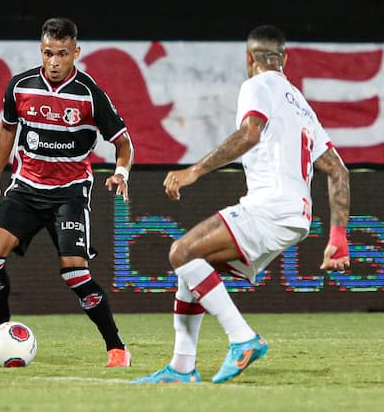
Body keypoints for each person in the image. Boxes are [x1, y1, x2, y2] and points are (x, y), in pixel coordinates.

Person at [133, 25, 350, 384]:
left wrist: (195, 171)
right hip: (294, 217)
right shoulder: (301, 105)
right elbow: (339, 172)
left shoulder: (257, 85)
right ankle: (182, 367)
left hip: (269, 208)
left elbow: (250, 132)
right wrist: (338, 237)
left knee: (181, 253)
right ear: (285, 59)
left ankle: (243, 339)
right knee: (193, 269)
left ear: (249, 58)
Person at [0, 17, 134, 368]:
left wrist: (121, 172)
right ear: (41, 51)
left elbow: (123, 143)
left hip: (69, 194)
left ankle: (117, 347)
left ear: (76, 52)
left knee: (74, 272)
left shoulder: (90, 94)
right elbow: (6, 131)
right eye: (48, 53)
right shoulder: (20, 86)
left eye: (62, 53)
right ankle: (2, 336)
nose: (55, 61)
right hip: (26, 189)